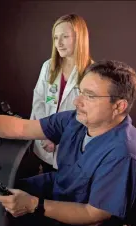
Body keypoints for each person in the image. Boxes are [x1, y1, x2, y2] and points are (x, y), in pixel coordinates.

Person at [0, 60, 136, 226]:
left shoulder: (123, 155)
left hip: (81, 222)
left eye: (90, 96)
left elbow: (94, 216)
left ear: (119, 106)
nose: (77, 102)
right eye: (80, 92)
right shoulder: (76, 120)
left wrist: (33, 205)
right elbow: (21, 128)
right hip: (60, 189)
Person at [30, 14, 93, 171]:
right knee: (43, 180)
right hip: (44, 142)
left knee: (63, 190)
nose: (59, 43)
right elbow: (39, 101)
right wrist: (47, 134)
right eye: (56, 37)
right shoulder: (48, 66)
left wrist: (58, 138)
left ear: (80, 38)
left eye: (65, 37)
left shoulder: (92, 73)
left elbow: (88, 116)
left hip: (71, 146)